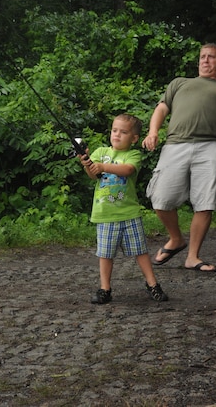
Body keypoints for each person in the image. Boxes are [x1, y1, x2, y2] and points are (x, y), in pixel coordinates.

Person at [142, 43, 216, 272]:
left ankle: (192, 257)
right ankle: (176, 239)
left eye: (211, 57)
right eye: (202, 57)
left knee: (205, 202)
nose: (205, 60)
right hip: (176, 145)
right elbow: (162, 109)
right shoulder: (179, 83)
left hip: (210, 147)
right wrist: (153, 131)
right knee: (160, 199)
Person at [79, 113, 168, 304]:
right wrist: (87, 163)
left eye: (123, 132)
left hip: (129, 214)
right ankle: (105, 289)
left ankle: (152, 284)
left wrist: (102, 166)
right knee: (105, 254)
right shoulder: (100, 152)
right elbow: (93, 176)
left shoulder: (133, 155)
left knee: (140, 251)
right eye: (114, 130)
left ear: (134, 138)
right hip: (105, 215)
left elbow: (127, 170)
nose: (117, 135)